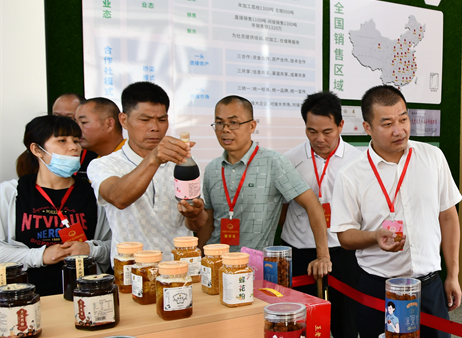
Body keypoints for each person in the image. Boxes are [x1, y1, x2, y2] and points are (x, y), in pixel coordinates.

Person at [330, 85, 462, 338]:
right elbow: (344, 236)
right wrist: (375, 237)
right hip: (379, 288)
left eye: (403, 119)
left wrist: (453, 274)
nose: (399, 130)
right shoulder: (351, 174)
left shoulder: (432, 158)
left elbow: (448, 216)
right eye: (387, 123)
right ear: (367, 126)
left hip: (428, 286)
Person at [180, 95, 331, 281]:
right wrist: (200, 262)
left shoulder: (274, 162)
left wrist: (323, 256)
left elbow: (312, 204)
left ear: (252, 126)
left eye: (233, 123)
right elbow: (209, 222)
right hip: (216, 266)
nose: (225, 130)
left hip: (254, 270)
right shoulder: (212, 168)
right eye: (219, 123)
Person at [282, 91, 364, 338]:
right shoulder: (290, 160)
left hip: (343, 248)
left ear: (341, 125)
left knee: (346, 317)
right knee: (300, 319)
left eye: (327, 131)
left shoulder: (358, 161)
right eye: (311, 131)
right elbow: (283, 206)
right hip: (301, 246)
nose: (319, 139)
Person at [0, 115, 111, 295]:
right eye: (62, 140)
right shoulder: (11, 193)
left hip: (86, 295)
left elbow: (117, 246)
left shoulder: (94, 194)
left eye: (76, 140)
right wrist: (39, 256)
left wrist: (91, 249)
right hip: (25, 297)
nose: (73, 147)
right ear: (36, 149)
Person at [87, 82, 192, 268]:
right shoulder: (103, 164)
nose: (155, 127)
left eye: (161, 119)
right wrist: (154, 158)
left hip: (181, 269)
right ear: (124, 120)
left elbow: (196, 224)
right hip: (133, 272)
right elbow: (118, 198)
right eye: (145, 120)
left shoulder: (182, 161)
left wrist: (196, 214)